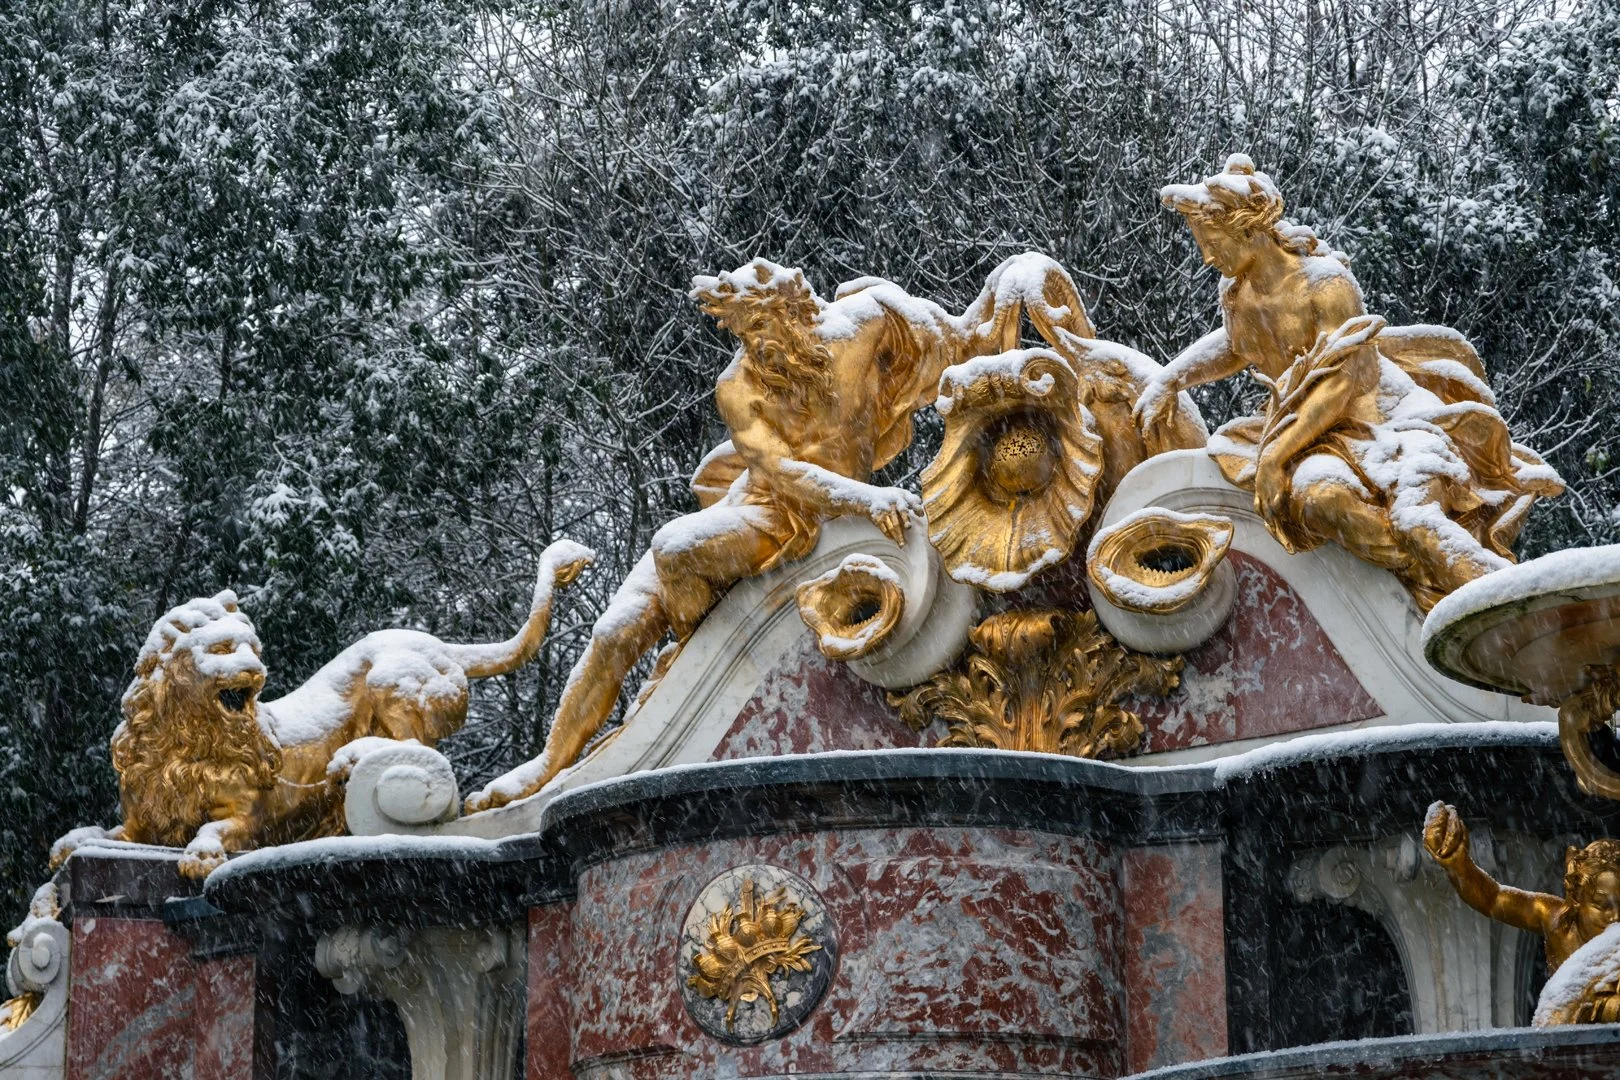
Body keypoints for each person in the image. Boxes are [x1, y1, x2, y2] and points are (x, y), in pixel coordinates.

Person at [1136, 155, 1563, 611]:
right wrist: (1172, 378)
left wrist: (1275, 457)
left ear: (1248, 230)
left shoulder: (1327, 285)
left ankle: (1519, 609)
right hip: (1312, 435)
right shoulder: (1237, 291)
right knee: (1322, 503)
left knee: (1415, 519)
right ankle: (1420, 587)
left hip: (1384, 422)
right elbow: (1238, 344)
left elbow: (1344, 381)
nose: (1207, 256)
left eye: (1212, 241)